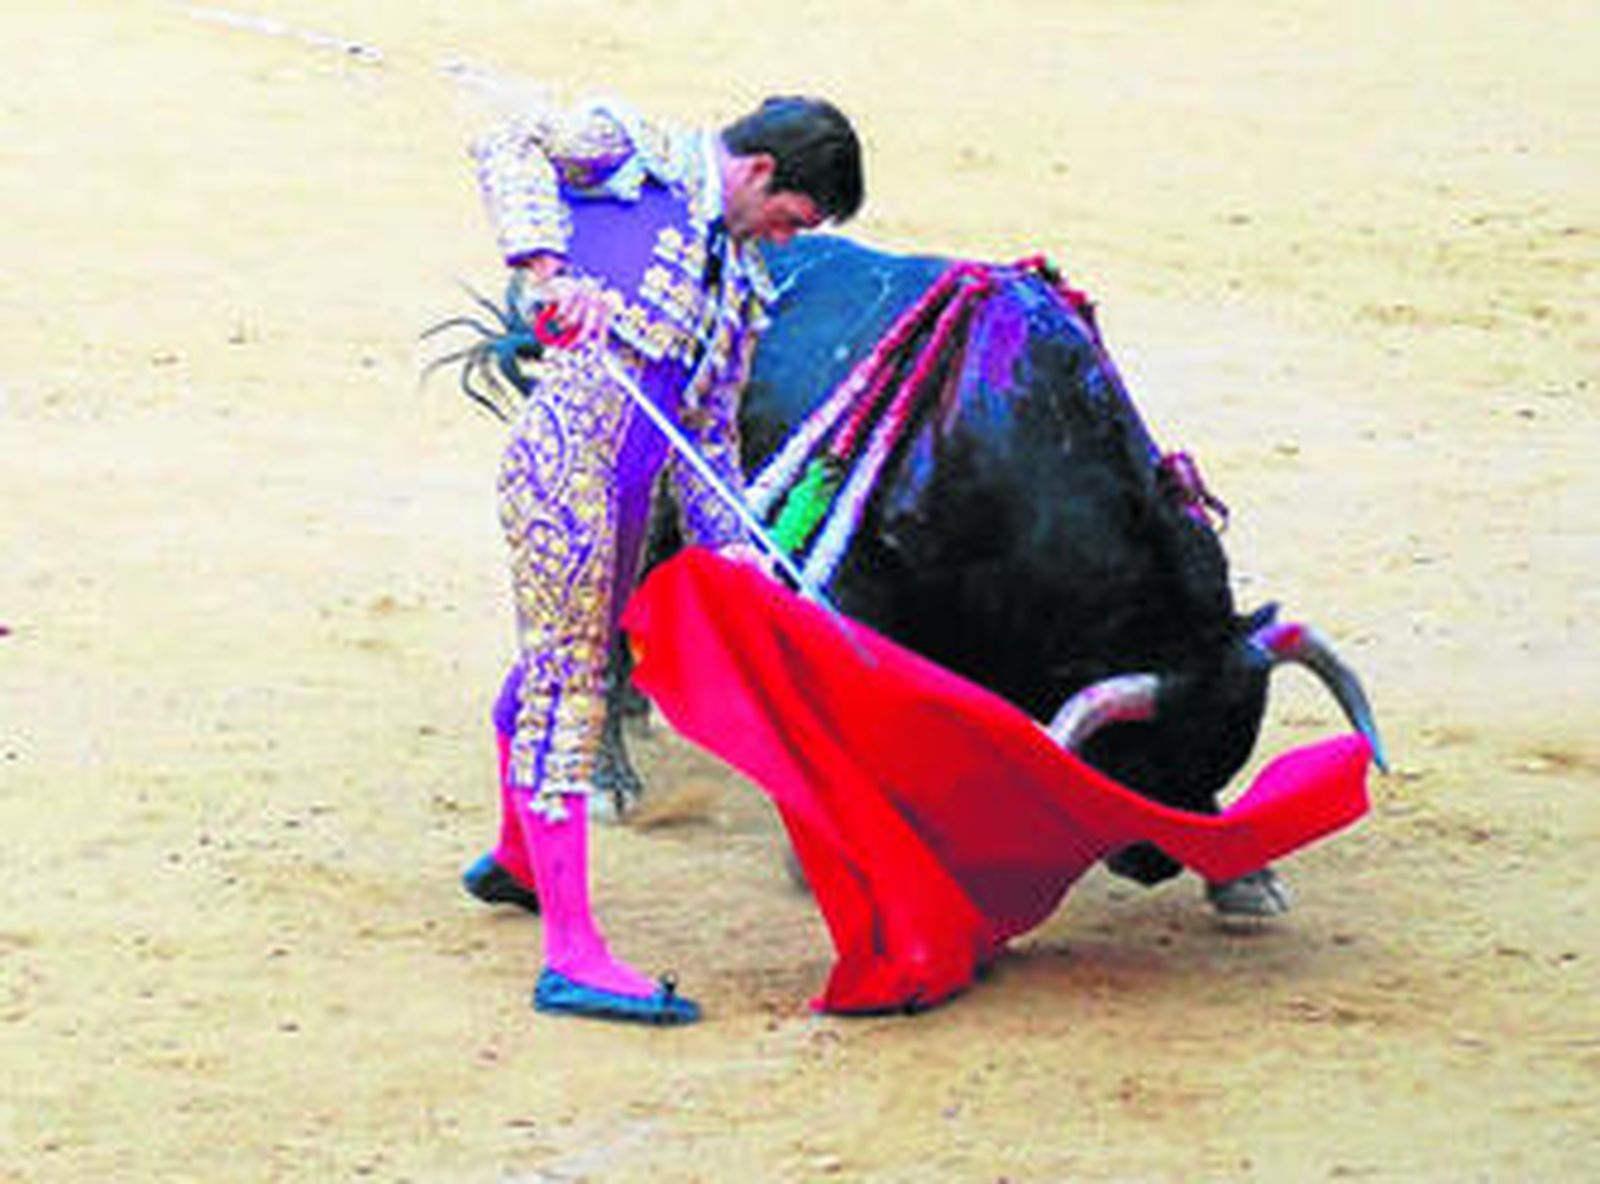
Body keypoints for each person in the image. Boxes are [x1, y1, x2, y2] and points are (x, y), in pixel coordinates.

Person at [457, 91, 864, 1025]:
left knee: (557, 667)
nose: (788, 239)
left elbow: (710, 437)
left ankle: (520, 859)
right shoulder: (631, 152)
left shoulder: (739, 284)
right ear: (760, 172)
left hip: (630, 491)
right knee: (568, 686)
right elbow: (504, 132)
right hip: (565, 465)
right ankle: (573, 956)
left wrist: (743, 556)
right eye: (792, 218)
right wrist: (545, 273)